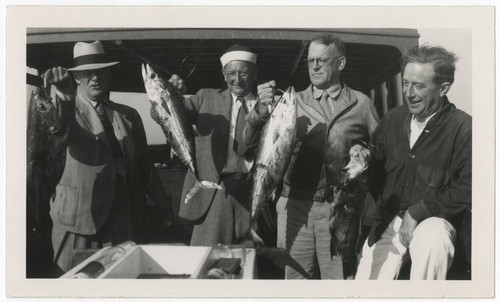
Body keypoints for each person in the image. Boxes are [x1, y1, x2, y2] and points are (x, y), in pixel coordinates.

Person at [244, 34, 379, 279]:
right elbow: (247, 143)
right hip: (295, 205)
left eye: (321, 60)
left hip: (340, 209)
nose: (314, 66)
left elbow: (381, 148)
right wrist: (259, 111)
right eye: (310, 61)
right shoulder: (290, 102)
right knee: (296, 281)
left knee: (338, 281)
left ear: (340, 64)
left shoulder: (362, 103)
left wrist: (367, 152)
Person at [43, 40, 173, 275]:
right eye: (87, 73)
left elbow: (144, 165)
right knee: (71, 283)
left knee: (119, 277)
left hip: (124, 218)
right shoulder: (63, 109)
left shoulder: (129, 115)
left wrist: (163, 203)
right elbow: (64, 129)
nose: (95, 78)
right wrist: (64, 94)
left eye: (101, 72)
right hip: (79, 220)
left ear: (109, 74)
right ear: (76, 78)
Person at [355, 45, 472, 280]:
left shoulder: (464, 128)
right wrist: (364, 156)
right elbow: (377, 155)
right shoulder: (394, 118)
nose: (408, 93)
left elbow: (470, 187)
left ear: (443, 88)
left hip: (433, 223)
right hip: (387, 221)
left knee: (434, 236)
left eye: (418, 85)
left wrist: (419, 212)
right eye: (406, 83)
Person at [168, 44, 259, 246]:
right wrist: (171, 94)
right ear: (223, 74)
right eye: (231, 73)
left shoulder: (266, 106)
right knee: (208, 261)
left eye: (243, 73)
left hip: (251, 193)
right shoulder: (205, 97)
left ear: (254, 73)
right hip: (215, 192)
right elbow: (172, 116)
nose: (237, 79)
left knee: (247, 260)